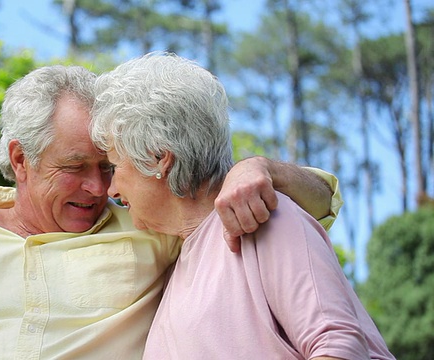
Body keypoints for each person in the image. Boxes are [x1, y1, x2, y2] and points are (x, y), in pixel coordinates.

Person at [0, 64, 341, 359]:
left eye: (107, 166)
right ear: (21, 159)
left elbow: (315, 205)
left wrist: (260, 168)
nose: (99, 186)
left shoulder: (149, 221)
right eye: (74, 167)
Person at [89, 52, 394, 359]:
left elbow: (339, 347)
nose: (111, 190)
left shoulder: (263, 218)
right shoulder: (176, 261)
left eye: (114, 166)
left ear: (158, 157)